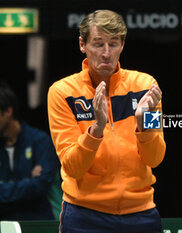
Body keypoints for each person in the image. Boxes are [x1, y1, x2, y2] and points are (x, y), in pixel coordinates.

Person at [47, 9, 166, 233]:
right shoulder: (62, 92)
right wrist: (96, 129)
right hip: (84, 216)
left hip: (140, 214)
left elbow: (155, 158)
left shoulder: (145, 87)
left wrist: (142, 125)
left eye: (113, 44)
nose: (106, 53)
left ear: (122, 45)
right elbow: (73, 167)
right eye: (98, 43)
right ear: (82, 44)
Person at [0, 81, 59, 220]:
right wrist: (27, 182)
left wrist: (5, 188)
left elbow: (41, 185)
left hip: (39, 221)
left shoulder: (40, 141)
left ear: (8, 112)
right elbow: (32, 186)